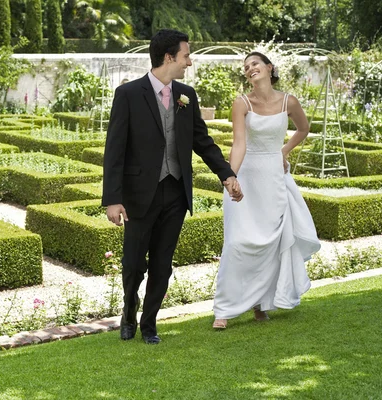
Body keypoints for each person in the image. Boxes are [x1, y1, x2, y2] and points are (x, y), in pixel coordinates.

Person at [102, 29, 243, 344]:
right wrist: (113, 199)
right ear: (169, 57)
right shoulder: (128, 94)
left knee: (162, 266)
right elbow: (115, 150)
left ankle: (149, 324)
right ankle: (129, 313)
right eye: (186, 56)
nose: (189, 63)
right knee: (134, 264)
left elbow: (202, 141)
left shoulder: (186, 95)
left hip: (176, 193)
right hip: (139, 195)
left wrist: (227, 174)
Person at [212, 52, 321, 329]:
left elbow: (303, 129)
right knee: (238, 242)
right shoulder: (242, 102)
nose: (250, 69)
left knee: (272, 243)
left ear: (269, 68)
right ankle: (223, 309)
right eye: (246, 67)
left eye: (255, 64)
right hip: (247, 177)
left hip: (274, 178)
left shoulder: (289, 101)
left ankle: (261, 305)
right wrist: (231, 178)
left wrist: (282, 151)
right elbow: (239, 144)